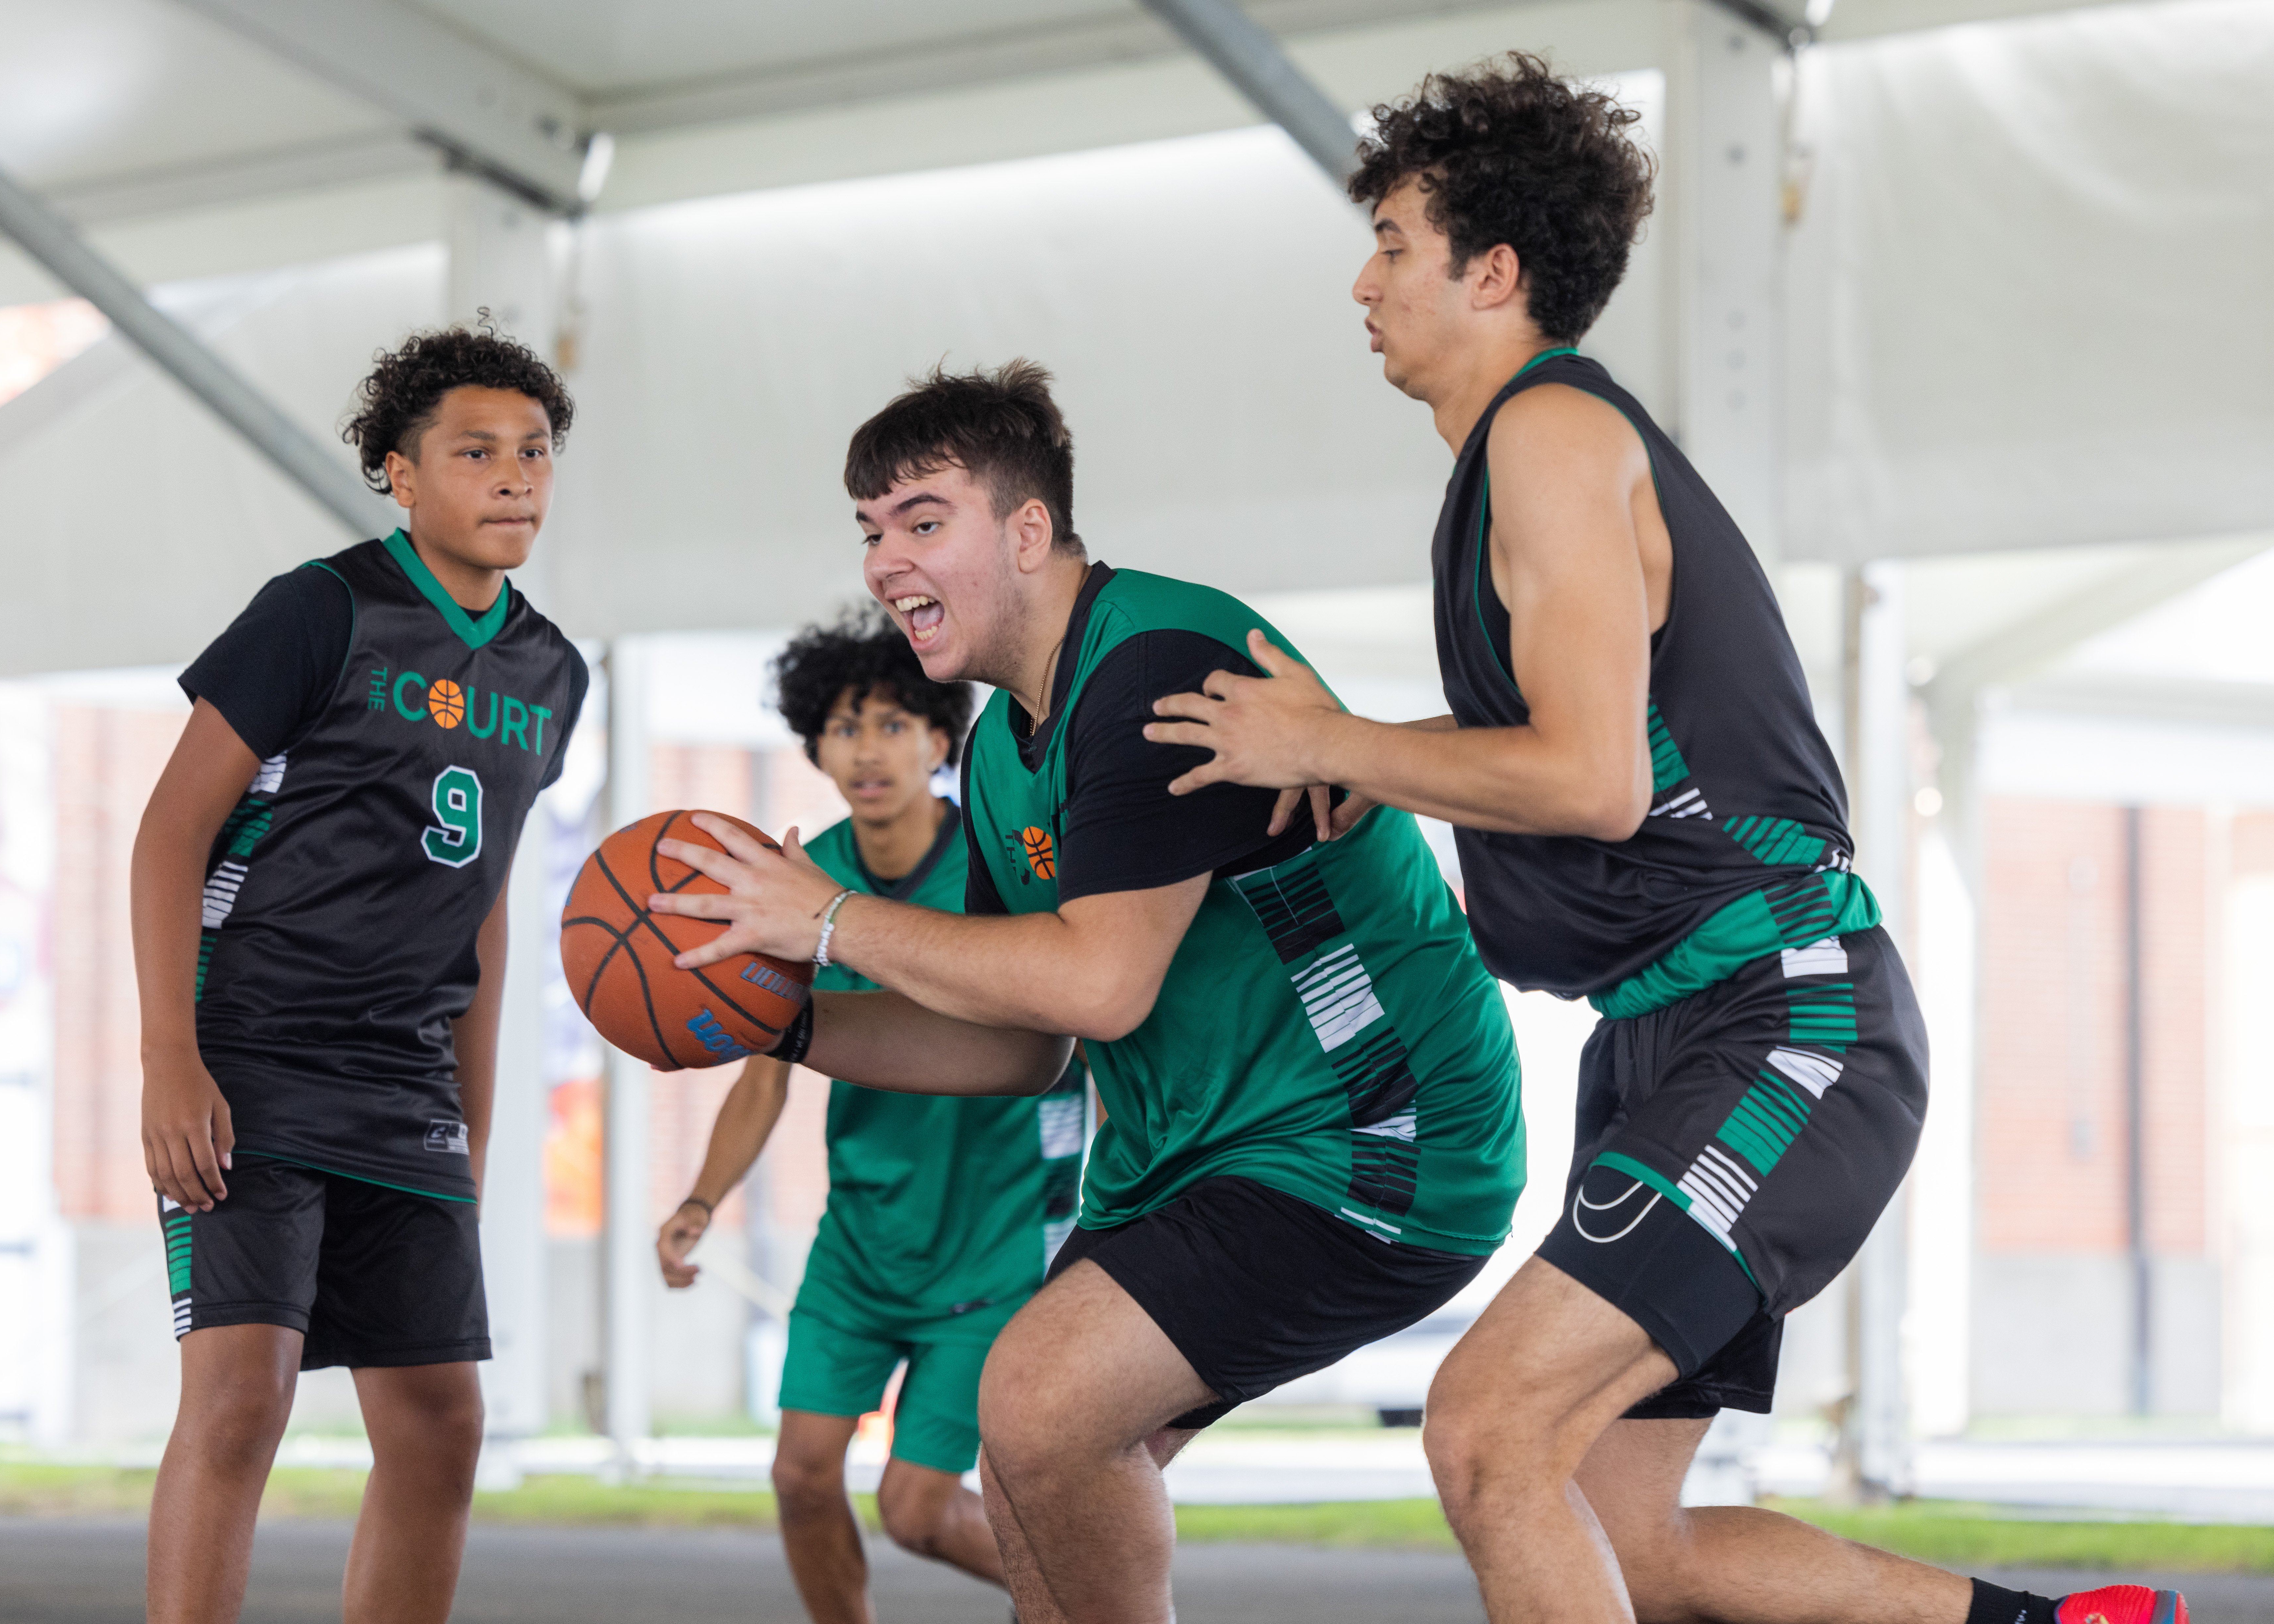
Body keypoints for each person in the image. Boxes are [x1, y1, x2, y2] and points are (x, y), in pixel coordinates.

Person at [1142, 54, 2187, 1624]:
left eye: (1394, 246)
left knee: (1490, 1433)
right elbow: (1572, 753)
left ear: (1491, 272)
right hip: (1672, 1036)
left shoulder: (1549, 440)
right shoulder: (1521, 460)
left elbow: (1592, 779)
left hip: (1784, 1024)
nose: (1361, 282)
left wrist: (1333, 742)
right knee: (1624, 1540)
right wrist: (1376, 768)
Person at [647, 360, 1525, 1623]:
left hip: (1373, 1135)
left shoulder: (1159, 665)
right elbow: (1025, 1043)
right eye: (871, 531)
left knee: (1039, 1397)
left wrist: (827, 919)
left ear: (1027, 530)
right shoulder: (1004, 741)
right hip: (1193, 1158)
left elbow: (1101, 985)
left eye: (923, 520)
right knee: (1028, 1476)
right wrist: (785, 1019)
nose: (887, 562)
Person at [132, 324, 585, 1624]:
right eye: (476, 452)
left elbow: (485, 903)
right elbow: (169, 836)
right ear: (398, 474)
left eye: (536, 453)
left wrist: (480, 1120)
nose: (515, 479)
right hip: (255, 1054)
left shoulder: (554, 672)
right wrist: (172, 1055)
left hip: (409, 1081)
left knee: (444, 1423)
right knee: (240, 1396)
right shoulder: (318, 611)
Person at [656, 610, 1084, 1623]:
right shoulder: (802, 885)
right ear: (816, 745)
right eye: (847, 727)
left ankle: (1093, 1605)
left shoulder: (994, 866)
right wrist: (700, 1197)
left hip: (993, 1241)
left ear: (942, 738)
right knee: (801, 1475)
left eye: (896, 723)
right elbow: (768, 1062)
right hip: (863, 1238)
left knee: (919, 1508)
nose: (869, 748)